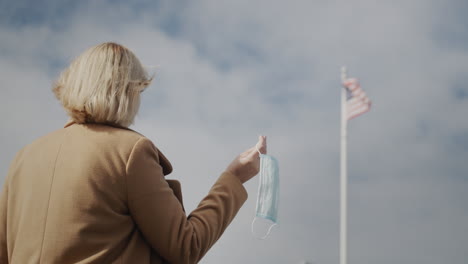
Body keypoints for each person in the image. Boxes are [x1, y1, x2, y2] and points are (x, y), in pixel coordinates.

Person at [0, 42, 267, 264]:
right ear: (125, 91)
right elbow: (186, 246)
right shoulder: (130, 151)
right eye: (138, 89)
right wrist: (234, 178)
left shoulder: (24, 157)